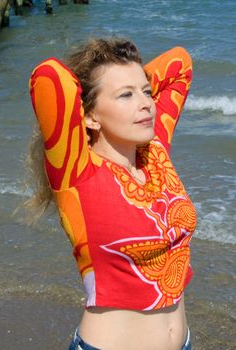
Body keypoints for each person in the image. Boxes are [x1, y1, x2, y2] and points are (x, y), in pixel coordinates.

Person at [28, 37, 197, 350]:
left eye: (147, 92)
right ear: (89, 116)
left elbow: (180, 64)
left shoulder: (154, 149)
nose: (146, 103)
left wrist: (126, 85)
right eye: (126, 96)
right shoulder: (76, 172)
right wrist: (102, 79)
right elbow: (50, 76)